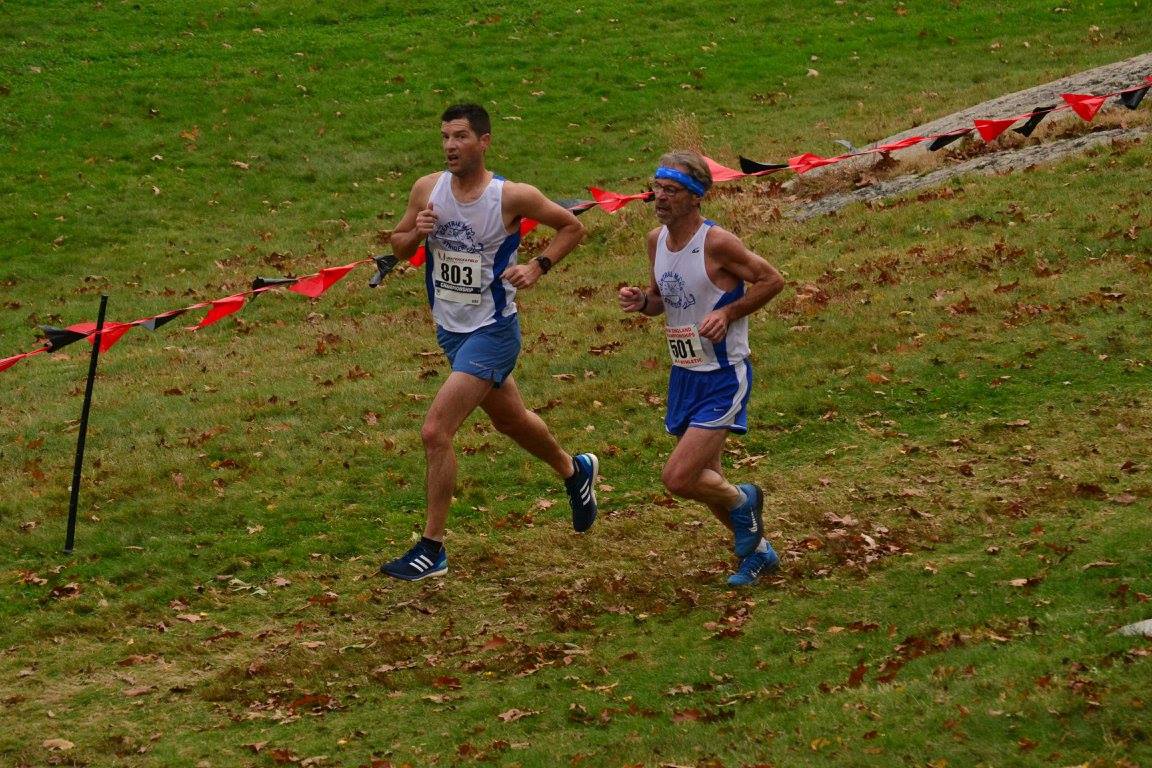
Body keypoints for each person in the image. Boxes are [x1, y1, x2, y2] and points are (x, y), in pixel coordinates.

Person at [380, 103, 599, 581]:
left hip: (494, 331)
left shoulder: (511, 197)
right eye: (444, 137)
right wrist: (413, 236)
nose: (450, 146)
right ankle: (574, 470)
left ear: (484, 141)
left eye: (460, 137)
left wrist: (538, 266)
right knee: (512, 421)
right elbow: (396, 246)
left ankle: (432, 547)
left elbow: (572, 226)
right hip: (450, 328)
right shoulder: (428, 189)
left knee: (436, 431)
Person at [618, 150, 786, 587]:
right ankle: (760, 554)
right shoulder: (656, 240)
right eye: (657, 188)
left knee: (679, 477)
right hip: (684, 371)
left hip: (724, 374)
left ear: (695, 198)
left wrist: (729, 314)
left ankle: (745, 501)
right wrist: (642, 303)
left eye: (671, 191)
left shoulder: (717, 243)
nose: (659, 197)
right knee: (706, 478)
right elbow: (661, 300)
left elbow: (772, 280)